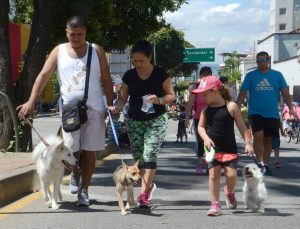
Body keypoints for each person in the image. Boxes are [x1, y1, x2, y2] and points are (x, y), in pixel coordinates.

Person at [17, 16, 114, 206]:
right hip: (70, 112)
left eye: (80, 34)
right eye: (72, 34)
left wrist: (111, 106)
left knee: (89, 152)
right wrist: (31, 101)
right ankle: (75, 174)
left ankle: (84, 191)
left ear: (85, 33)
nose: (76, 38)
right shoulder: (58, 51)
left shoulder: (96, 51)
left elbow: (106, 78)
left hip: (95, 109)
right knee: (71, 150)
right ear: (66, 32)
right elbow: (43, 75)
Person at [109, 40, 175, 208]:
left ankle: (143, 195)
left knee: (149, 155)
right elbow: (123, 97)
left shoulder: (161, 74)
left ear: (149, 58)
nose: (138, 64)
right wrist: (116, 108)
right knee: (139, 159)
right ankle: (149, 184)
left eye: (141, 61)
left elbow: (171, 95)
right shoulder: (129, 76)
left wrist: (159, 100)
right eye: (135, 61)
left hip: (156, 121)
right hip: (134, 121)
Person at [195, 75, 254, 216]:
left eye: (205, 94)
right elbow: (200, 128)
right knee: (213, 176)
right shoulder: (206, 109)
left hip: (229, 148)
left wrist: (248, 143)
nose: (203, 97)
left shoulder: (231, 106)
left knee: (232, 175)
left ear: (216, 90)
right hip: (212, 150)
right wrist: (206, 139)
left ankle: (230, 191)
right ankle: (215, 204)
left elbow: (241, 126)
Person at [237, 51, 296, 176]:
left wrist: (290, 107)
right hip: (255, 112)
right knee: (258, 136)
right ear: (257, 62)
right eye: (259, 61)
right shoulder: (250, 76)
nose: (262, 63)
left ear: (269, 60)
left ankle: (266, 163)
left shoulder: (277, 75)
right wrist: (236, 107)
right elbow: (242, 92)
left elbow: (285, 92)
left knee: (268, 140)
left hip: (272, 113)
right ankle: (260, 163)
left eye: (264, 60)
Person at [185, 66, 212, 175]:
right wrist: (187, 117)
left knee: (210, 142)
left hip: (212, 119)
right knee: (200, 142)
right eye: (203, 74)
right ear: (200, 76)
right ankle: (200, 163)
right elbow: (190, 103)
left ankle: (209, 163)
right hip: (198, 119)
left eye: (207, 74)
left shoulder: (215, 87)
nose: (205, 76)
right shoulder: (196, 87)